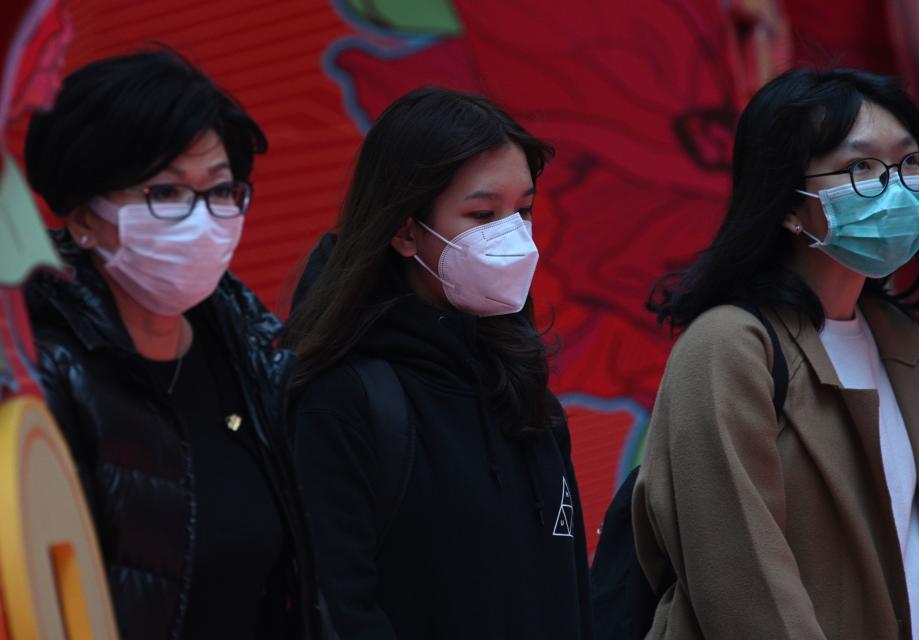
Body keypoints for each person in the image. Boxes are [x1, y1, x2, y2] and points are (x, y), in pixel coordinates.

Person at [634, 67, 919, 639]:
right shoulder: (729, 348)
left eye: (910, 163)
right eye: (860, 167)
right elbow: (742, 582)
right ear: (788, 204)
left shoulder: (903, 343)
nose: (897, 187)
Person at [23, 49, 332, 640]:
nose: (201, 220)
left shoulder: (254, 352)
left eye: (220, 190)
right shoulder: (36, 373)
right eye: (164, 192)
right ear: (84, 216)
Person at [283, 87, 593, 640]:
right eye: (482, 214)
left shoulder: (525, 388)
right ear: (404, 231)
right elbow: (339, 609)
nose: (513, 237)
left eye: (523, 210)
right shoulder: (346, 399)